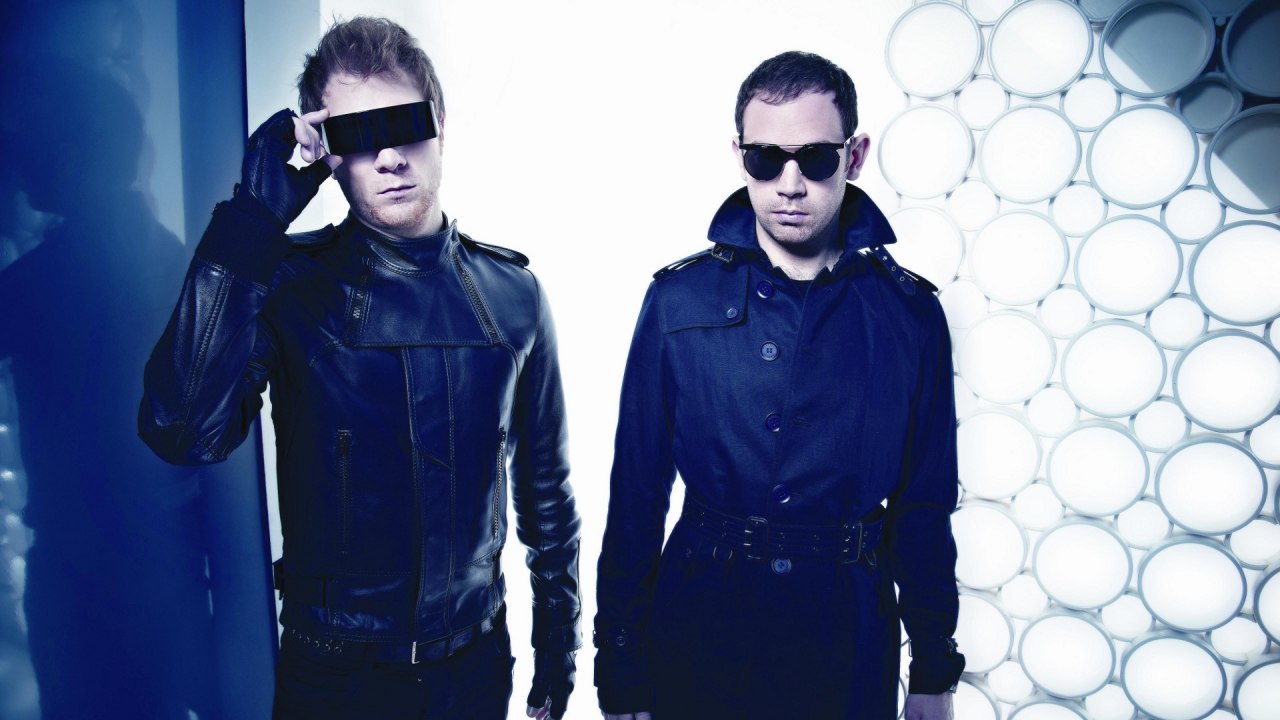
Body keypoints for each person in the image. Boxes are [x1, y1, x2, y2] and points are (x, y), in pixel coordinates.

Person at [139, 17, 581, 720]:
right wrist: (253, 219)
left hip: (475, 669)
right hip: (334, 680)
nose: (390, 157)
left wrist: (558, 642)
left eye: (405, 125)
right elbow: (183, 430)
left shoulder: (513, 295)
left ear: (440, 126)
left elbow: (545, 489)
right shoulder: (290, 286)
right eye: (358, 135)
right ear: (327, 153)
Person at [593, 51, 965, 720]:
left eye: (815, 159)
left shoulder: (909, 315)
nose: (790, 185)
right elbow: (637, 495)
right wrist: (617, 663)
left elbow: (924, 505)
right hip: (699, 629)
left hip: (846, 641)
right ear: (739, 156)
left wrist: (933, 670)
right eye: (767, 159)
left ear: (854, 157)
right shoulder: (678, 300)